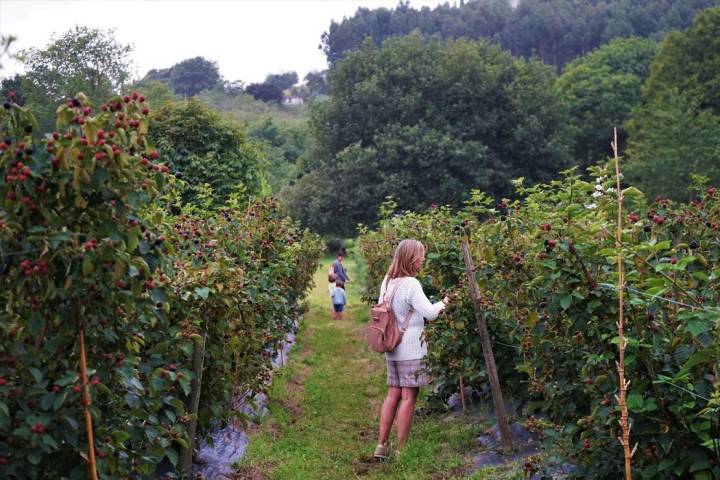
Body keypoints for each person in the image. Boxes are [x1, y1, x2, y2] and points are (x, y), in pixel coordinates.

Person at [373, 239, 450, 459]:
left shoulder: (388, 281)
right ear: (411, 258)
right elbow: (430, 313)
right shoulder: (412, 284)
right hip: (410, 350)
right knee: (408, 397)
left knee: (392, 395)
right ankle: (401, 450)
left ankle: (381, 445)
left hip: (392, 347)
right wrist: (446, 301)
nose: (423, 260)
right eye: (421, 256)